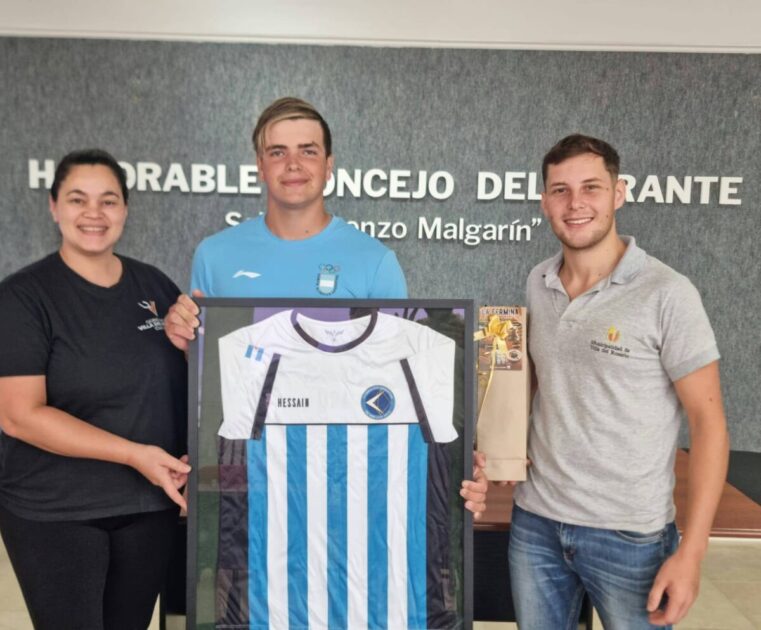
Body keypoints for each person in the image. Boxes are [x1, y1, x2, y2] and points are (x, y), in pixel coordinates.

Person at [164, 96, 488, 515]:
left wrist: (457, 459)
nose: (293, 164)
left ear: (329, 165)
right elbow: (210, 377)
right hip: (249, 476)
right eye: (277, 152)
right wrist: (185, 340)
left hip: (345, 478)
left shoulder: (375, 261)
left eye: (308, 151)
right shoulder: (215, 256)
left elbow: (400, 381)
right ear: (260, 166)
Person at [508, 134, 729, 629]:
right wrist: (501, 445)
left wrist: (692, 552)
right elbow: (537, 379)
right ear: (544, 201)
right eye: (561, 190)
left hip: (630, 537)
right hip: (537, 523)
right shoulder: (538, 281)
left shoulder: (668, 293)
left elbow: (708, 423)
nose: (575, 203)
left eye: (591, 187)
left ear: (619, 193)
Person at [0, 149, 191, 630]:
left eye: (108, 200)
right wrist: (134, 454)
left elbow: (180, 384)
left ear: (125, 209)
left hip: (148, 505)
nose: (94, 213)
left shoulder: (156, 287)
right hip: (57, 511)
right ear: (54, 206)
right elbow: (20, 416)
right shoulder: (23, 297)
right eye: (77, 199)